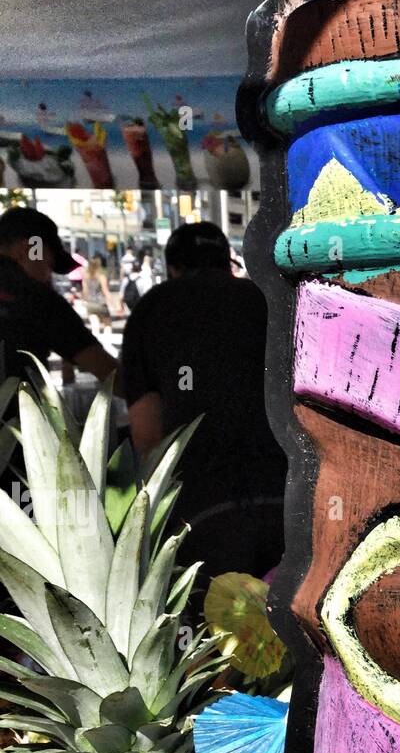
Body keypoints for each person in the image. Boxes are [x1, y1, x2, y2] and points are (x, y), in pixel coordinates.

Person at [121, 221, 286, 580]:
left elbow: (147, 435)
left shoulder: (153, 308)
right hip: (286, 496)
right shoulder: (267, 300)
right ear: (227, 262)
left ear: (173, 268)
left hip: (199, 508)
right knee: (287, 627)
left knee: (213, 626)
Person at [0, 206, 118, 388]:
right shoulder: (35, 298)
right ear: (30, 247)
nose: (49, 274)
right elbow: (108, 372)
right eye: (49, 263)